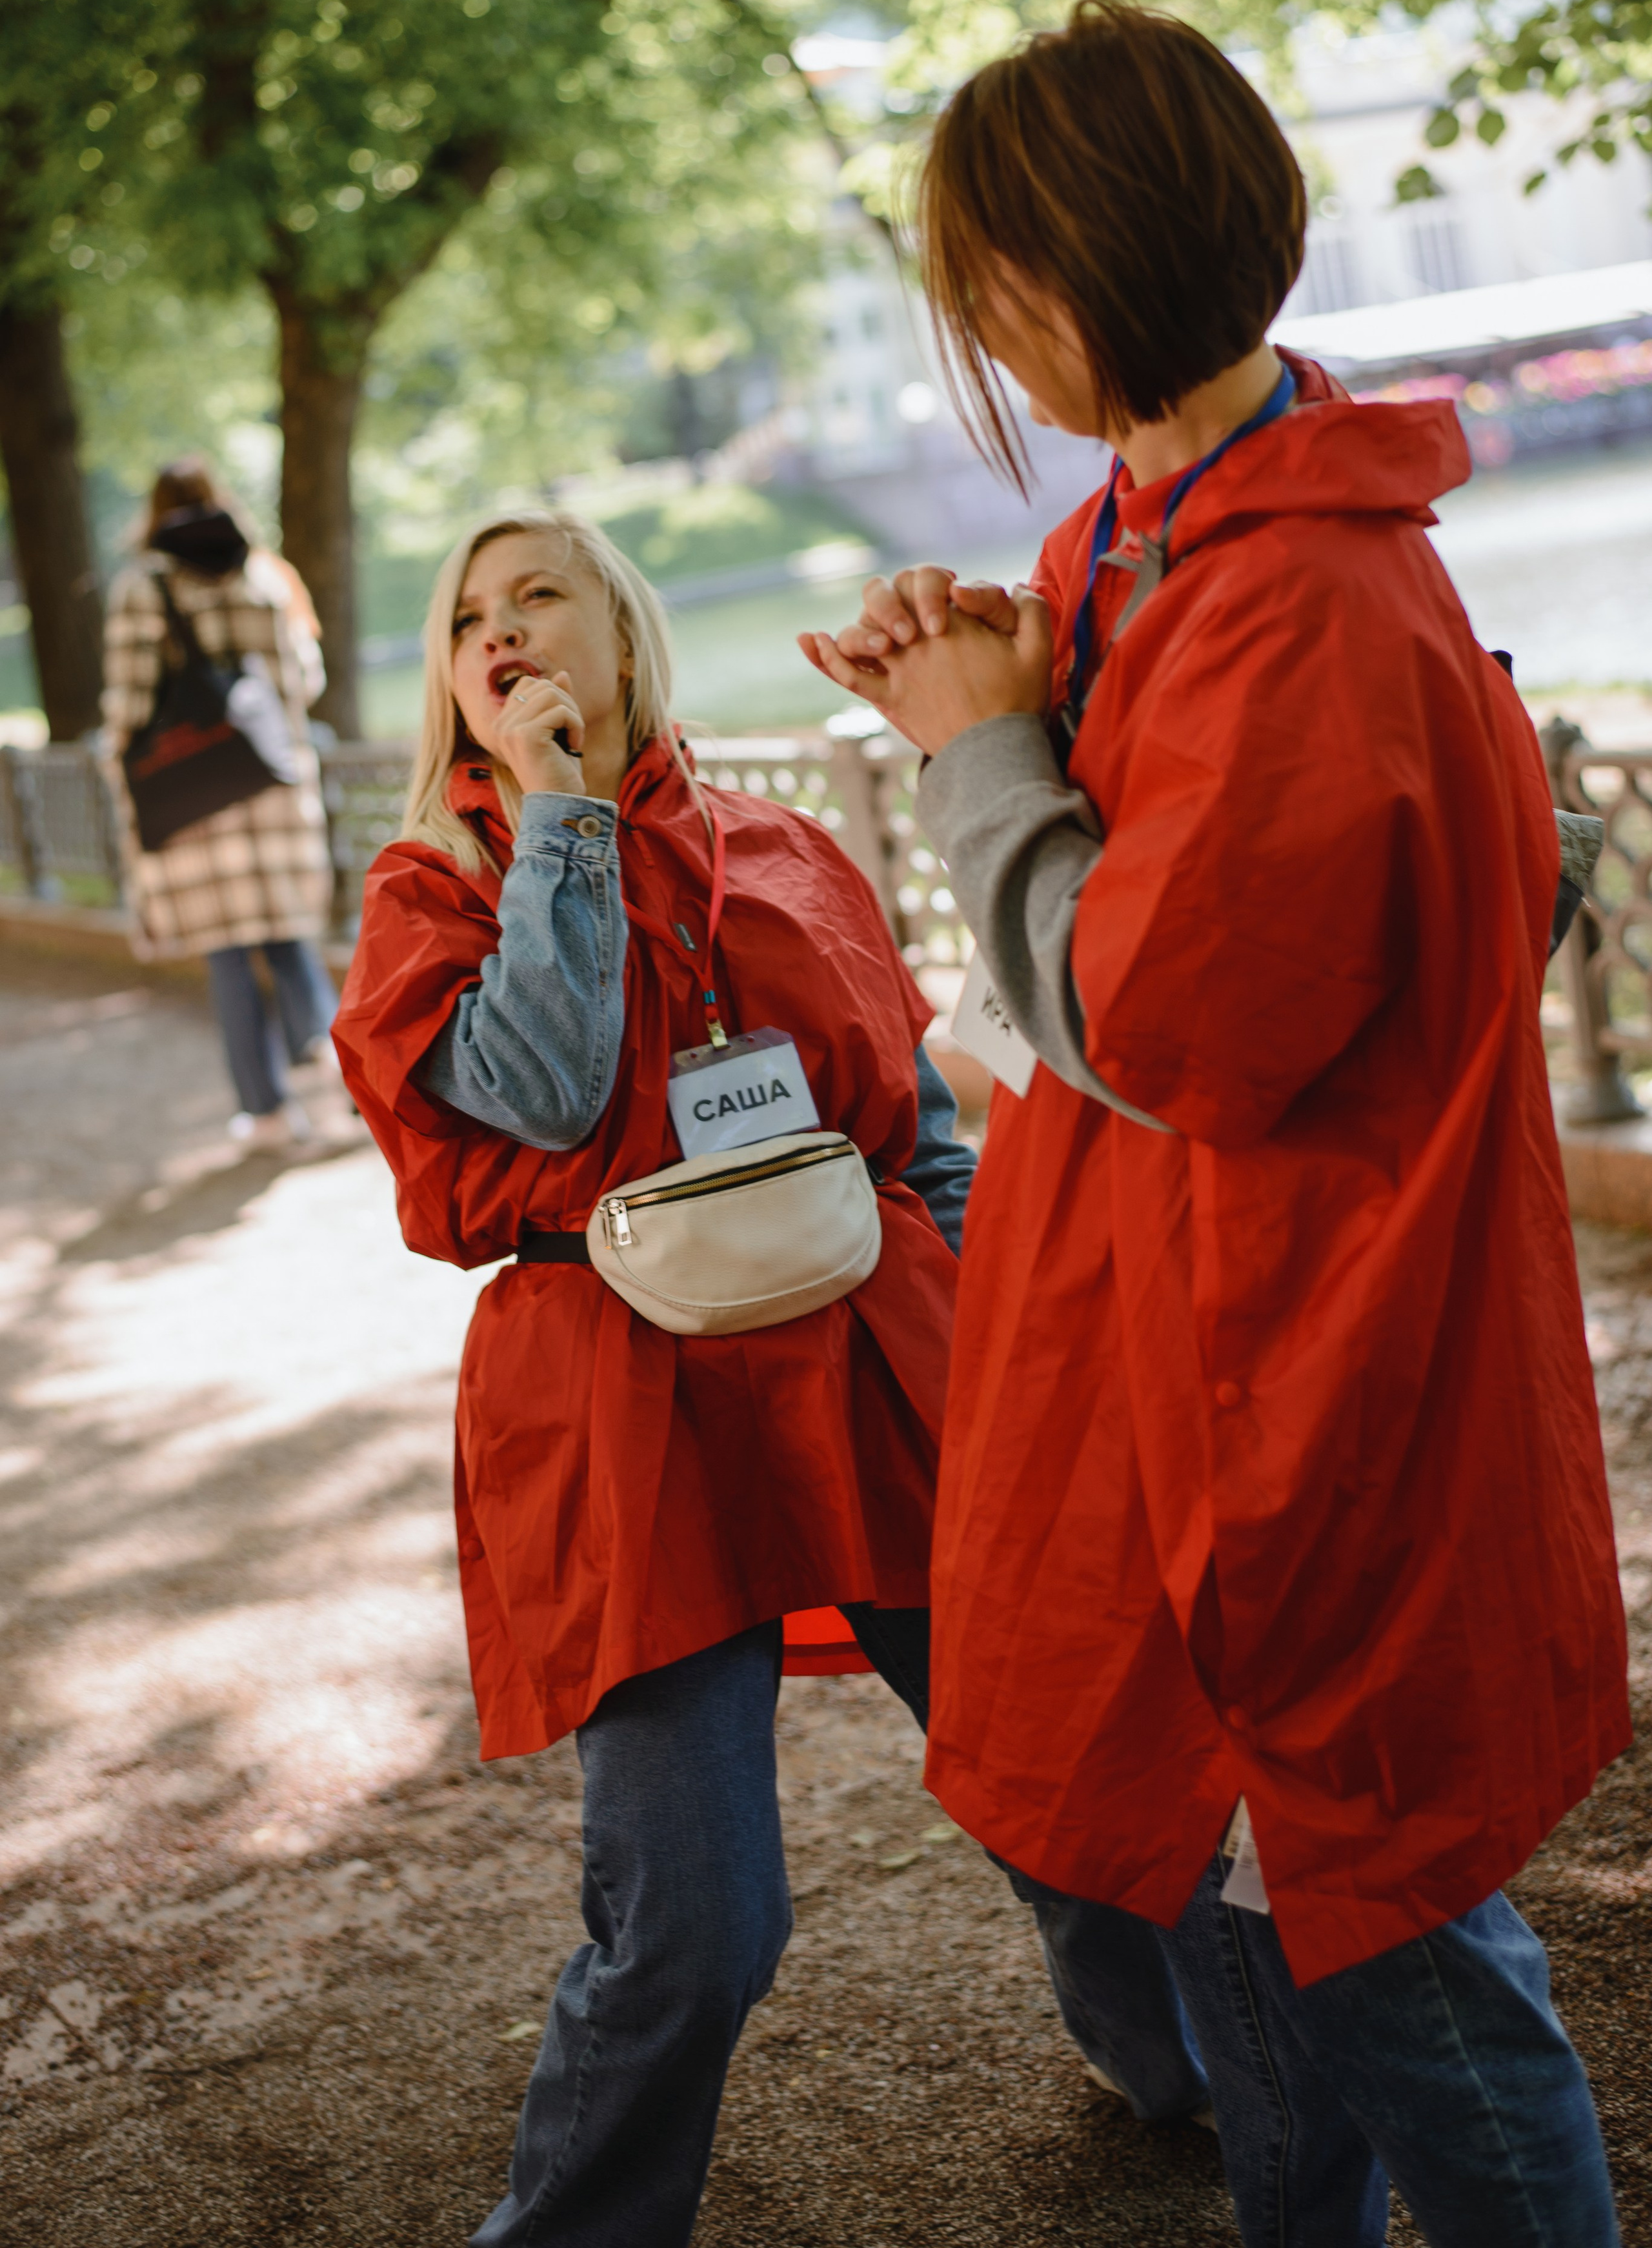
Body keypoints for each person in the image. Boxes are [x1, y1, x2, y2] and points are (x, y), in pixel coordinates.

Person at [801, 0, 1629, 2248]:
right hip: (1181, 1341)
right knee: (1267, 1918)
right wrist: (974, 673)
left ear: (1097, 269)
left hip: (1293, 1377)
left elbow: (1165, 1021)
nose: (972, 326)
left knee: (1391, 1950)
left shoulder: (1300, 595)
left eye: (987, 282)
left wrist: (980, 751)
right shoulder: (1155, 533)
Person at [332, 505, 1211, 2248]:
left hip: (880, 1345)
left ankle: (1185, 2074)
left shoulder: (789, 847)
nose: (500, 634)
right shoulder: (430, 888)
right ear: (449, 683)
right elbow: (542, 1091)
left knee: (1068, 1763)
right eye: (467, 621)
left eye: (540, 599)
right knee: (701, 1918)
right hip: (618, 1388)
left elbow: (919, 1126)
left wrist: (1003, 1355)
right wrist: (563, 817)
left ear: (624, 628)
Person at [102, 457, 337, 1147]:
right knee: (290, 938)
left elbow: (128, 703)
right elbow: (305, 679)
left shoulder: (142, 586)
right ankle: (336, 1065)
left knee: (229, 957)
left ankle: (266, 1112)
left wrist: (123, 781)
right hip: (274, 788)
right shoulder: (268, 574)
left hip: (194, 797)